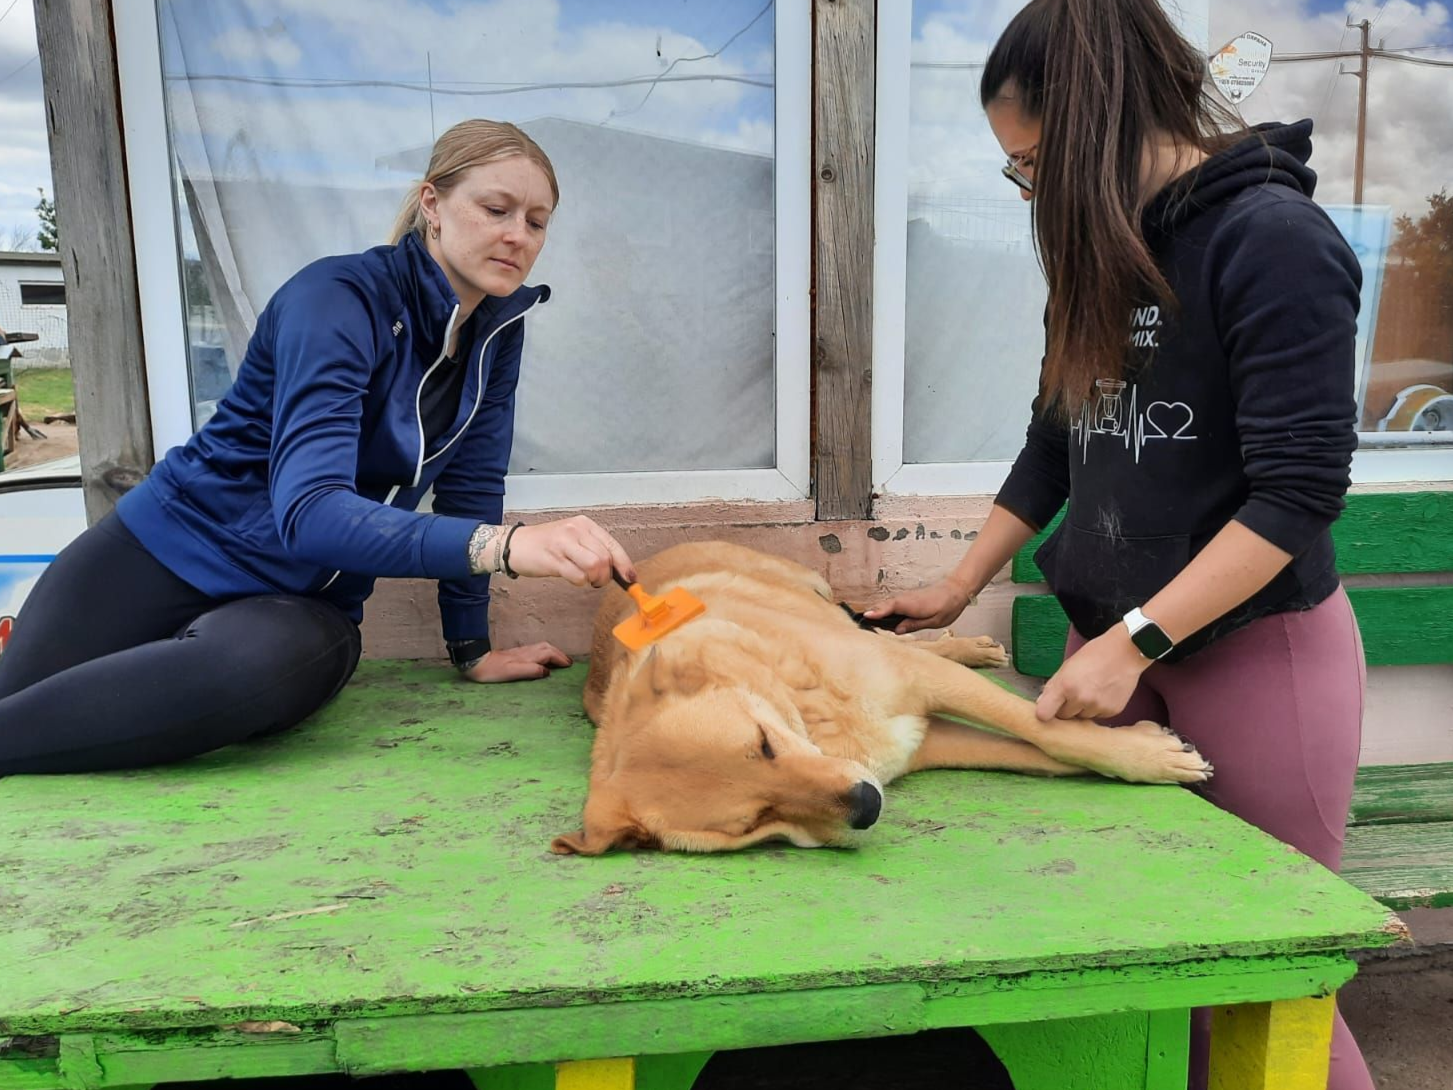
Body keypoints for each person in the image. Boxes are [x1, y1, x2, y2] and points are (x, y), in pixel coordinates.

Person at [865, 2, 1370, 1088]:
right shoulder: (1104, 254)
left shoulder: (1272, 242)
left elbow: (1296, 497)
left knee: (1265, 979)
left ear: (1101, 120)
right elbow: (1056, 444)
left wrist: (1134, 641)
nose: (1030, 192)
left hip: (1254, 657)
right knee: (1134, 965)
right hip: (1116, 659)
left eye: (1035, 163)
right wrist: (954, 586)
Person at [0, 119, 636, 776]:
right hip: (162, 551)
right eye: (496, 208)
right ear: (432, 205)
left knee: (272, 668)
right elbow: (310, 513)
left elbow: (469, 487)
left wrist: (470, 647)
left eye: (536, 222)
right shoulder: (336, 299)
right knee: (16, 705)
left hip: (299, 610)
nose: (517, 235)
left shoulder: (497, 331)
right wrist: (505, 548)